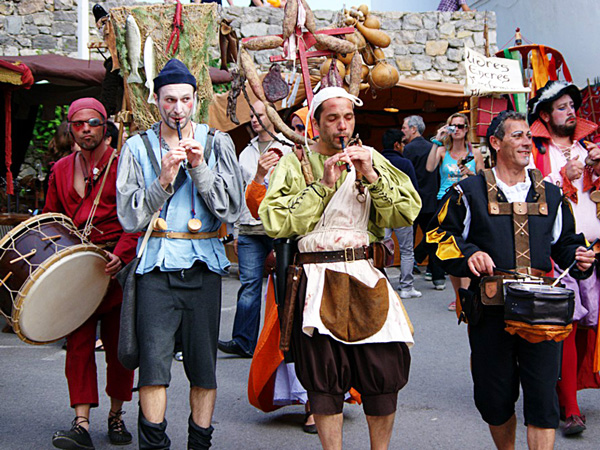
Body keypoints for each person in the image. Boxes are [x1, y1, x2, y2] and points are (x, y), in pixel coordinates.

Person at [259, 87, 421, 449]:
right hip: (315, 278)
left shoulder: (372, 159)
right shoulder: (295, 162)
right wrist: (323, 186)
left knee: (383, 367)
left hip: (363, 272)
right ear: (316, 124)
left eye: (347, 117)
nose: (342, 126)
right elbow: (276, 221)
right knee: (323, 374)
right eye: (332, 118)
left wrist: (373, 178)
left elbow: (406, 212)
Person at [426, 110, 595, 449]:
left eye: (528, 137)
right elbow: (438, 236)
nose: (525, 142)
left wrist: (580, 258)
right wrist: (469, 252)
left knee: (543, 398)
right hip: (491, 311)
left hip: (541, 311)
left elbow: (565, 244)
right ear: (495, 142)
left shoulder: (551, 195)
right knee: (495, 398)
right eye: (517, 136)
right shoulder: (468, 192)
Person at [116, 59, 243, 450]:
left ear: (195, 100)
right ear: (156, 101)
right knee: (153, 368)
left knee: (204, 369)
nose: (178, 108)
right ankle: (154, 445)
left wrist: (200, 167)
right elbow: (129, 217)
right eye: (169, 100)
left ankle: (199, 445)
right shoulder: (137, 147)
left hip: (203, 265)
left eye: (185, 99)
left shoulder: (216, 142)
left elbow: (232, 208)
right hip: (156, 267)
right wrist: (163, 181)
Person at [45, 98, 137, 450]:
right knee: (78, 345)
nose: (86, 129)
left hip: (115, 264)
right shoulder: (60, 169)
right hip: (77, 268)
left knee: (118, 347)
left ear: (104, 127)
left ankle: (116, 415)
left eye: (93, 123)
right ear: (71, 129)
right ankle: (81, 421)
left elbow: (137, 214)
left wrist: (122, 253)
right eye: (79, 124)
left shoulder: (122, 164)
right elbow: (52, 220)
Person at [528, 80, 600, 436]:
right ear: (544, 115)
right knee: (567, 327)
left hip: (596, 249)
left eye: (573, 105)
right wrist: (561, 176)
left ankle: (568, 392)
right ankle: (570, 408)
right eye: (561, 107)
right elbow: (527, 196)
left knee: (590, 329)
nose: (570, 111)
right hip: (561, 254)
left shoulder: (590, 147)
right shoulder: (536, 151)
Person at [218, 100, 292, 358]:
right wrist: (236, 231)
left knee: (284, 286)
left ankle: (285, 343)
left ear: (272, 116)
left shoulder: (287, 147)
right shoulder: (246, 151)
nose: (253, 119)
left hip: (277, 230)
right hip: (249, 229)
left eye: (259, 115)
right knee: (248, 286)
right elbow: (240, 194)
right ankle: (243, 341)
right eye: (251, 115)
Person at [426, 112, 484, 311]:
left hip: (468, 200)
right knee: (450, 246)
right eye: (453, 126)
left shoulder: (474, 153)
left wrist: (471, 173)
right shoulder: (443, 151)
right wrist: (437, 140)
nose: (457, 130)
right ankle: (458, 294)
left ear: (467, 129)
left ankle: (465, 293)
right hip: (446, 200)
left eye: (460, 126)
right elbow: (429, 167)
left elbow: (484, 179)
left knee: (466, 244)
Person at [402, 115, 446, 290]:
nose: (403, 131)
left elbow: (406, 176)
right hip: (431, 199)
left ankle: (409, 279)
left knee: (409, 241)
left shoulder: (409, 149)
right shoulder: (433, 147)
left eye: (405, 127)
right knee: (433, 237)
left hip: (414, 200)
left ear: (414, 129)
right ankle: (437, 277)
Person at [381, 128, 421, 298]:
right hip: (402, 211)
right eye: (403, 143)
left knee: (381, 250)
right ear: (397, 145)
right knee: (406, 251)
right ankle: (406, 287)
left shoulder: (377, 161)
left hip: (381, 211)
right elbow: (414, 189)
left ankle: (382, 285)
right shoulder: (405, 164)